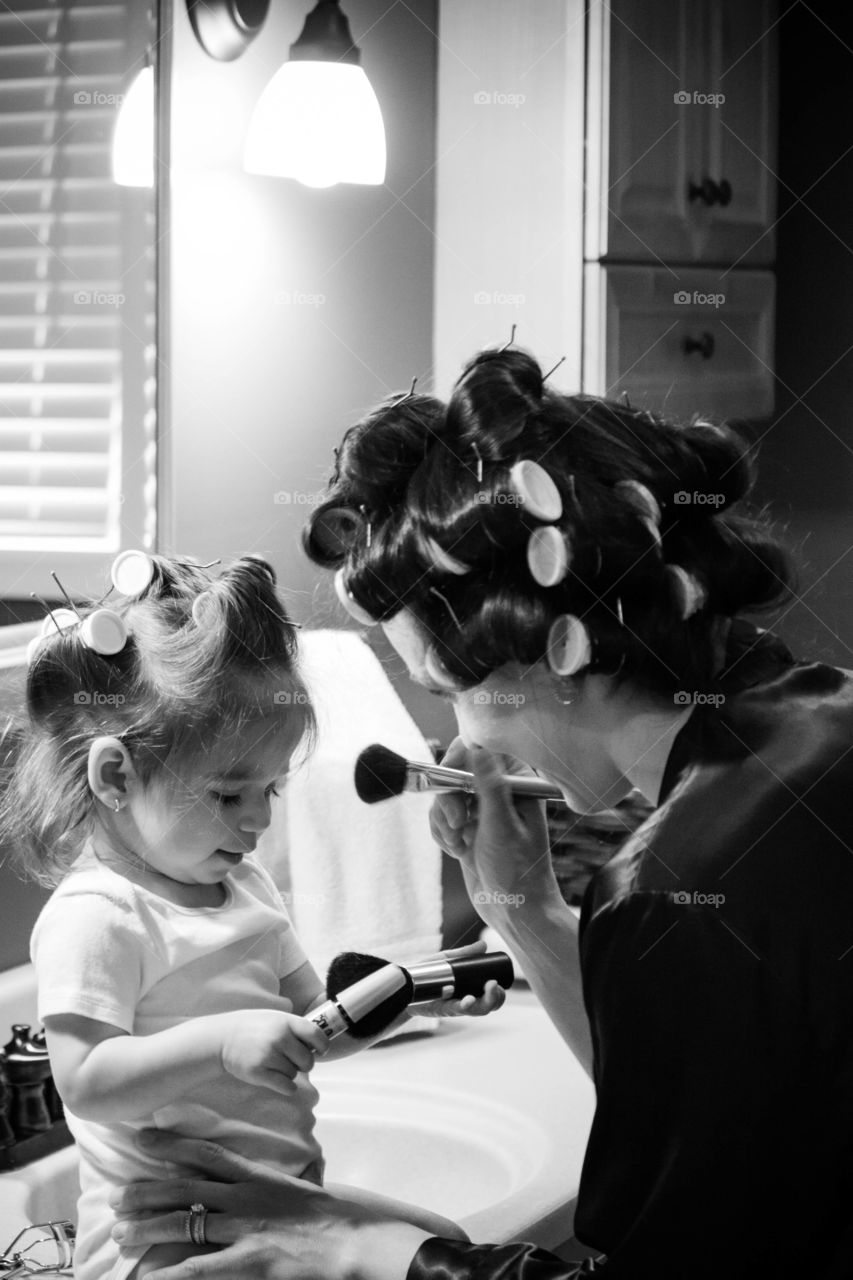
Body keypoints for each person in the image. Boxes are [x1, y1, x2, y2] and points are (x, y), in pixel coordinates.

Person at [109, 348, 853, 1279]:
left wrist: (372, 1250)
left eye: (443, 688)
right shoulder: (822, 723)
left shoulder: (678, 886)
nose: (465, 735)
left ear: (537, 656)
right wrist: (523, 911)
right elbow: (699, 1111)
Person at [0, 552, 502, 1280]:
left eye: (270, 791)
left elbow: (314, 1031)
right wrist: (224, 1042)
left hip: (279, 1197)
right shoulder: (98, 915)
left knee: (444, 1239)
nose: (259, 820)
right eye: (230, 794)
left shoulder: (248, 888)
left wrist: (409, 997)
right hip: (162, 1235)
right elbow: (86, 1079)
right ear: (116, 775)